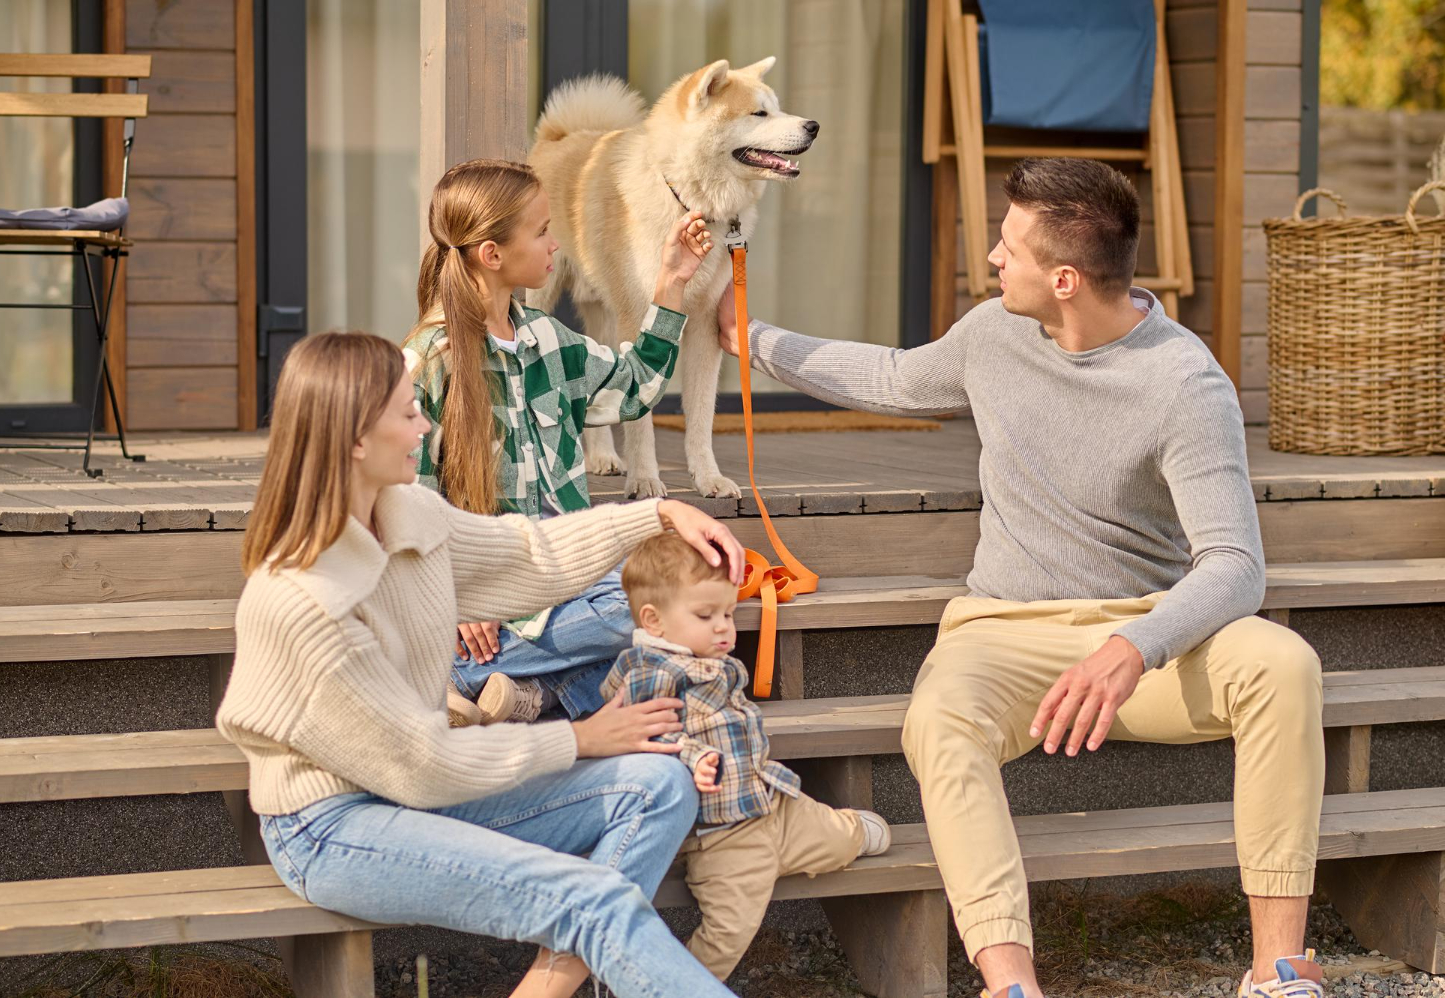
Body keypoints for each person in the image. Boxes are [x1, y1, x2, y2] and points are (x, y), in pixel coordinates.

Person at [716, 157, 1326, 998]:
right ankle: (1011, 983)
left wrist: (1132, 647)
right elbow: (892, 378)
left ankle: (1279, 968)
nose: (992, 261)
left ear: (1065, 278)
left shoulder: (1186, 384)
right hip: (1002, 632)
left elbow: (1235, 565)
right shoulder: (994, 335)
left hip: (1141, 637)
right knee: (938, 720)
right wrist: (748, 335)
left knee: (1282, 664)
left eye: (1009, 248)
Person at [216, 330, 747, 998]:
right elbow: (419, 762)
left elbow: (528, 556)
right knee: (590, 899)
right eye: (409, 412)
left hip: (422, 791)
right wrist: (576, 739)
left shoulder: (406, 514)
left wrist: (659, 514)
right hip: (333, 827)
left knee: (658, 785)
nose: (426, 423)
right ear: (356, 439)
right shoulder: (305, 601)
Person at [404, 158, 713, 726]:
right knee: (659, 614)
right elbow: (404, 505)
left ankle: (519, 694)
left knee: (692, 581)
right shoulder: (426, 363)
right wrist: (452, 599)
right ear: (492, 254)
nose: (555, 244)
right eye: (543, 230)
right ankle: (472, 675)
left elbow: (634, 389)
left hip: (570, 578)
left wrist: (672, 283)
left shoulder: (548, 338)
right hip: (493, 596)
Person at [601, 532, 892, 980]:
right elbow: (645, 739)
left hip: (770, 800)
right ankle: (670, 988)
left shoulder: (706, 659)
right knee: (729, 929)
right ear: (653, 621)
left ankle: (851, 830)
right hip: (722, 834)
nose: (723, 626)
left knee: (832, 836)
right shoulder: (650, 674)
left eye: (729, 613)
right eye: (706, 614)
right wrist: (693, 756)